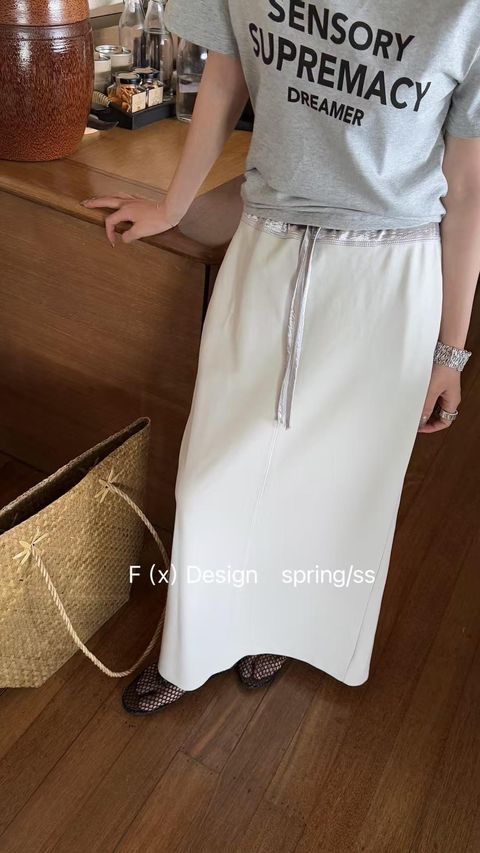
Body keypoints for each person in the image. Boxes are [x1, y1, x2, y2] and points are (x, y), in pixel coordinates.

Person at [81, 0, 480, 715]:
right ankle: (192, 650)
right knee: (212, 473)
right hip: (269, 241)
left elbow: (470, 186)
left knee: (334, 485)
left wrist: (450, 351)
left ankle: (278, 628)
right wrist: (173, 206)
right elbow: (225, 80)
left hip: (391, 271)